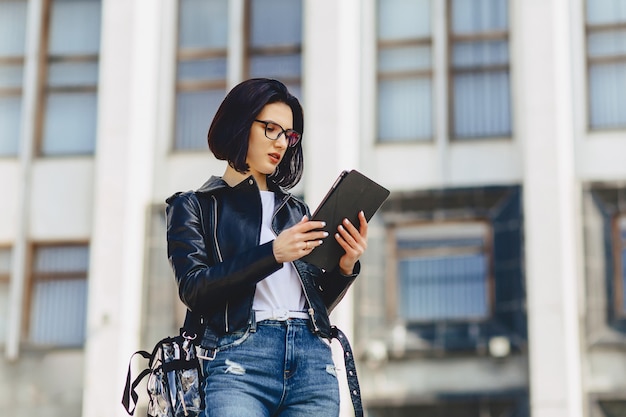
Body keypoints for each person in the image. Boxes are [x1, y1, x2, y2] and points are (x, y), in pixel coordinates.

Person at [165, 78, 368, 417]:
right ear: (240, 124)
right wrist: (272, 254)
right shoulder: (193, 206)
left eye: (288, 135)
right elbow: (195, 289)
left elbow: (316, 305)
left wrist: (345, 266)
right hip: (238, 362)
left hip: (311, 364)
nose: (281, 143)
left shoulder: (297, 211)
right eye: (270, 129)